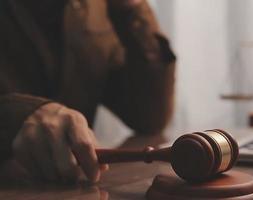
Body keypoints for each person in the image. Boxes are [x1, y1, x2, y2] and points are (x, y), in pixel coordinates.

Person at [0, 0, 175, 183]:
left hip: (78, 186)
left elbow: (148, 117)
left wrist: (132, 10)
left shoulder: (96, 9)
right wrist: (19, 115)